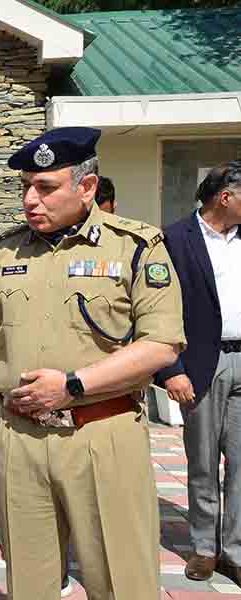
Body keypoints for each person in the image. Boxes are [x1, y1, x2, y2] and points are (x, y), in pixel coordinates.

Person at [0, 126, 185, 599]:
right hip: (21, 439)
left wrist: (74, 385)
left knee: (120, 579)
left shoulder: (135, 246)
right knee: (31, 582)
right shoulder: (5, 251)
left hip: (102, 434)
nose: (31, 200)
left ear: (87, 186)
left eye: (46, 187)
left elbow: (161, 346)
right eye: (25, 188)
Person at [155, 161, 241, 584]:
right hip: (203, 364)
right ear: (226, 196)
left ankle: (236, 550)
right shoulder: (174, 239)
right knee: (204, 464)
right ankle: (205, 548)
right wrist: (172, 369)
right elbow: (154, 311)